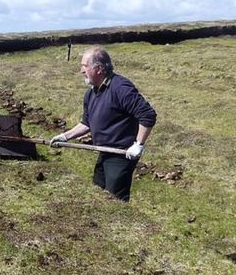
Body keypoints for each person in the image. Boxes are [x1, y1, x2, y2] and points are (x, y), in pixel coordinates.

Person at [50, 46, 156, 202]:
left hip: (120, 155)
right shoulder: (92, 92)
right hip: (104, 152)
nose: (81, 71)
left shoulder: (120, 88)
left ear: (98, 68)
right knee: (98, 193)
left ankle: (121, 225)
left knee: (114, 199)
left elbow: (147, 115)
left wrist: (138, 144)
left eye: (84, 66)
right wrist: (65, 137)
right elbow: (87, 123)